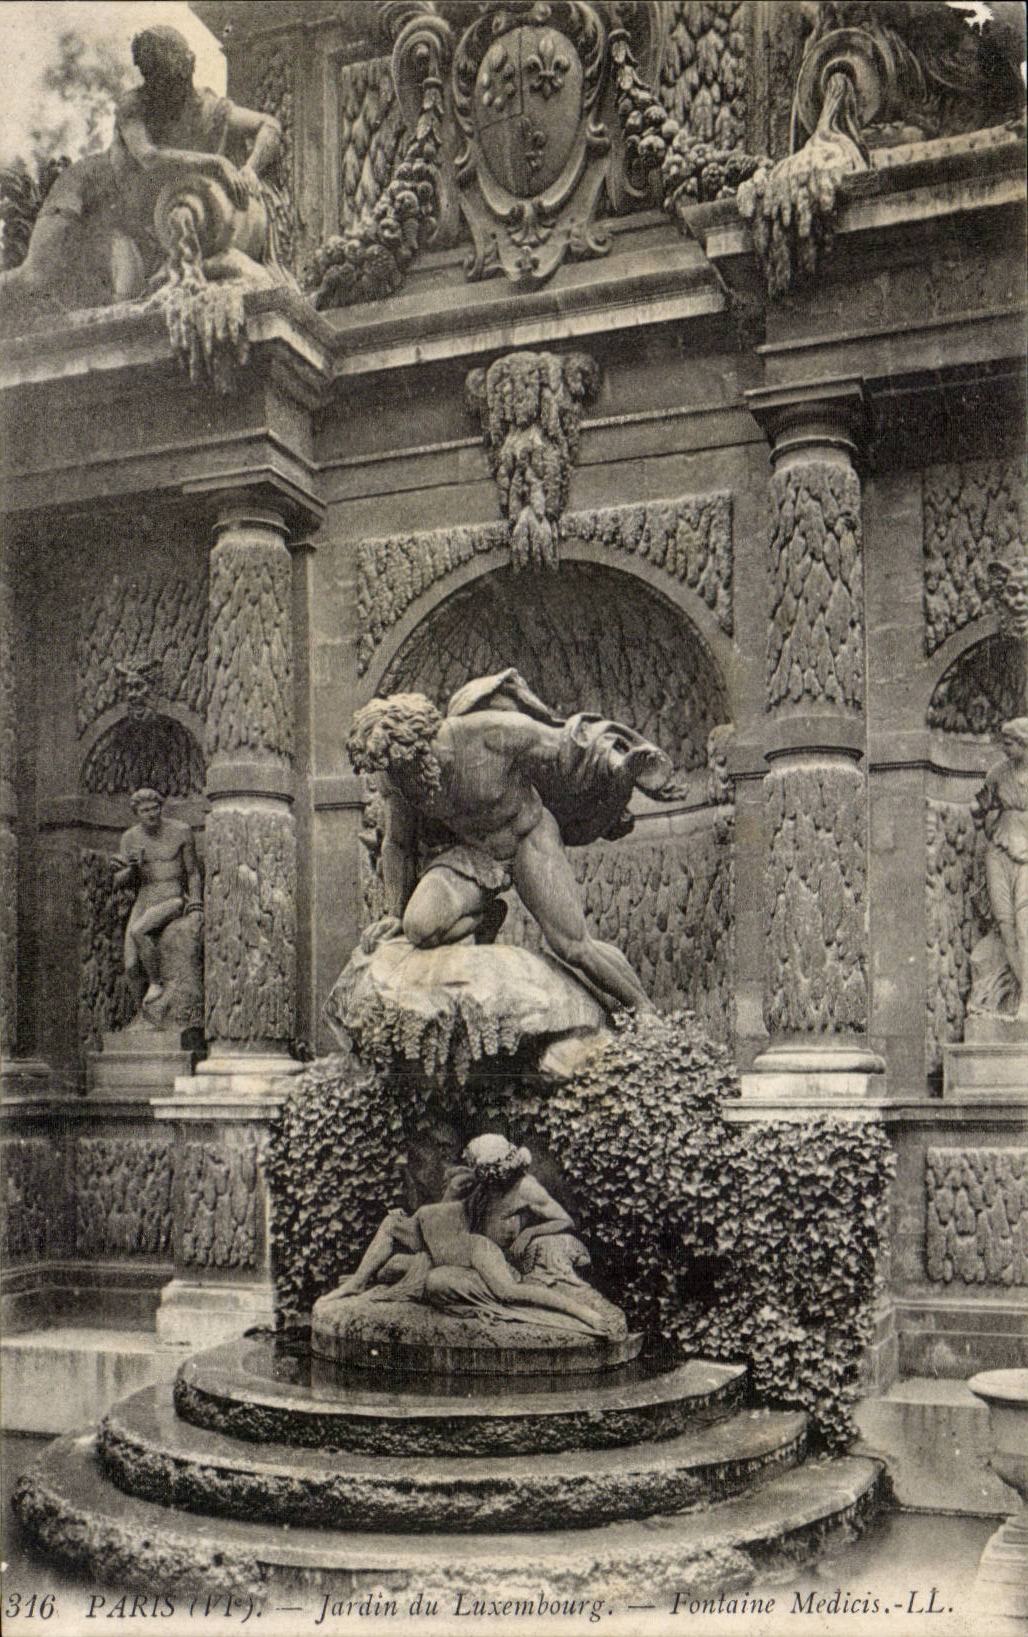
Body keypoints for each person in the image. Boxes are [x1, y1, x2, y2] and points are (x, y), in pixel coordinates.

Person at [347, 669, 672, 1014]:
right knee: (418, 928)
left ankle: (643, 1009)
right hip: (470, 854)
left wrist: (621, 767)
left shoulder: (488, 734)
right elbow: (397, 843)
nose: (395, 779)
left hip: (526, 838)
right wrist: (394, 914)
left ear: (420, 744)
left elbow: (568, 746)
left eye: (400, 768)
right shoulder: (398, 774)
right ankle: (487, 915)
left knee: (574, 947)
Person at [1, 25, 285, 314]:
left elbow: (269, 126)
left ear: (189, 65)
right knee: (35, 276)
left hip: (129, 219)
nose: (161, 90)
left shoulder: (210, 110)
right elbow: (148, 156)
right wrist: (216, 162)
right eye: (154, 79)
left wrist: (251, 168)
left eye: (169, 78)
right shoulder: (135, 104)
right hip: (86, 190)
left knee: (129, 299)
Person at [325, 1135, 624, 1338]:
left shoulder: (526, 1187)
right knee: (393, 1227)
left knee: (507, 1292)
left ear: (495, 1167)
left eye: (479, 1168)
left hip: (485, 1253)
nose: (479, 1174)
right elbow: (458, 1214)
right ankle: (356, 1283)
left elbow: (565, 1220)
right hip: (459, 1245)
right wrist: (445, 1198)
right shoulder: (487, 1183)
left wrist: (530, 1232)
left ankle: (582, 1313)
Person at [113, 788, 202, 1009]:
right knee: (131, 964)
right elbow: (119, 881)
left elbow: (193, 872)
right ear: (136, 813)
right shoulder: (130, 838)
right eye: (145, 811)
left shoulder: (181, 831)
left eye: (155, 808)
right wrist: (133, 868)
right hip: (145, 899)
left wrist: (196, 904)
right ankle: (143, 1015)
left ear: (161, 807)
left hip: (172, 897)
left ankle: (156, 983)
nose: (151, 814)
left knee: (138, 931)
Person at [971, 718, 1028, 1021]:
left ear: (1023, 742)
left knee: (1025, 924)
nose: (1004, 748)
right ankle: (1023, 993)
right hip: (1000, 851)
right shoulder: (997, 774)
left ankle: (1026, 1000)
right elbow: (980, 808)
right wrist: (981, 817)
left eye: (1008, 743)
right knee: (1005, 925)